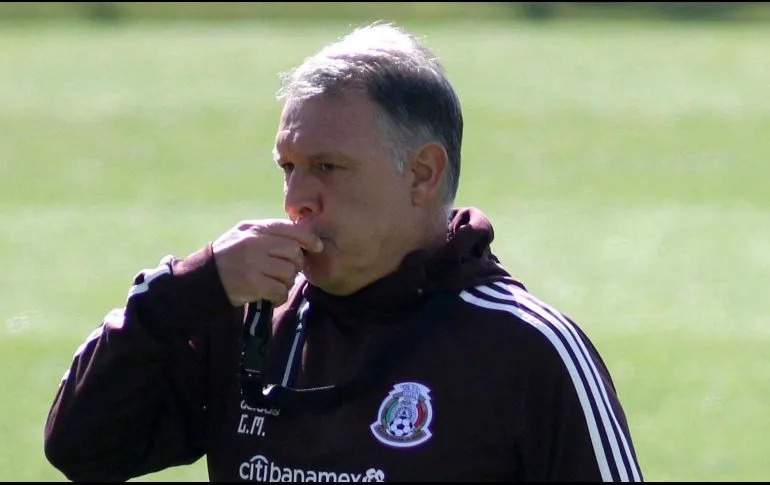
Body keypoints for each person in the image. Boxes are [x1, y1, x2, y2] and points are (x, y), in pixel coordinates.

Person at [43, 21, 644, 482]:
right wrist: (183, 291)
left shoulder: (528, 351)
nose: (297, 201)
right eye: (289, 168)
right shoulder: (246, 320)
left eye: (328, 168)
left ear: (423, 174)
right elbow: (84, 450)